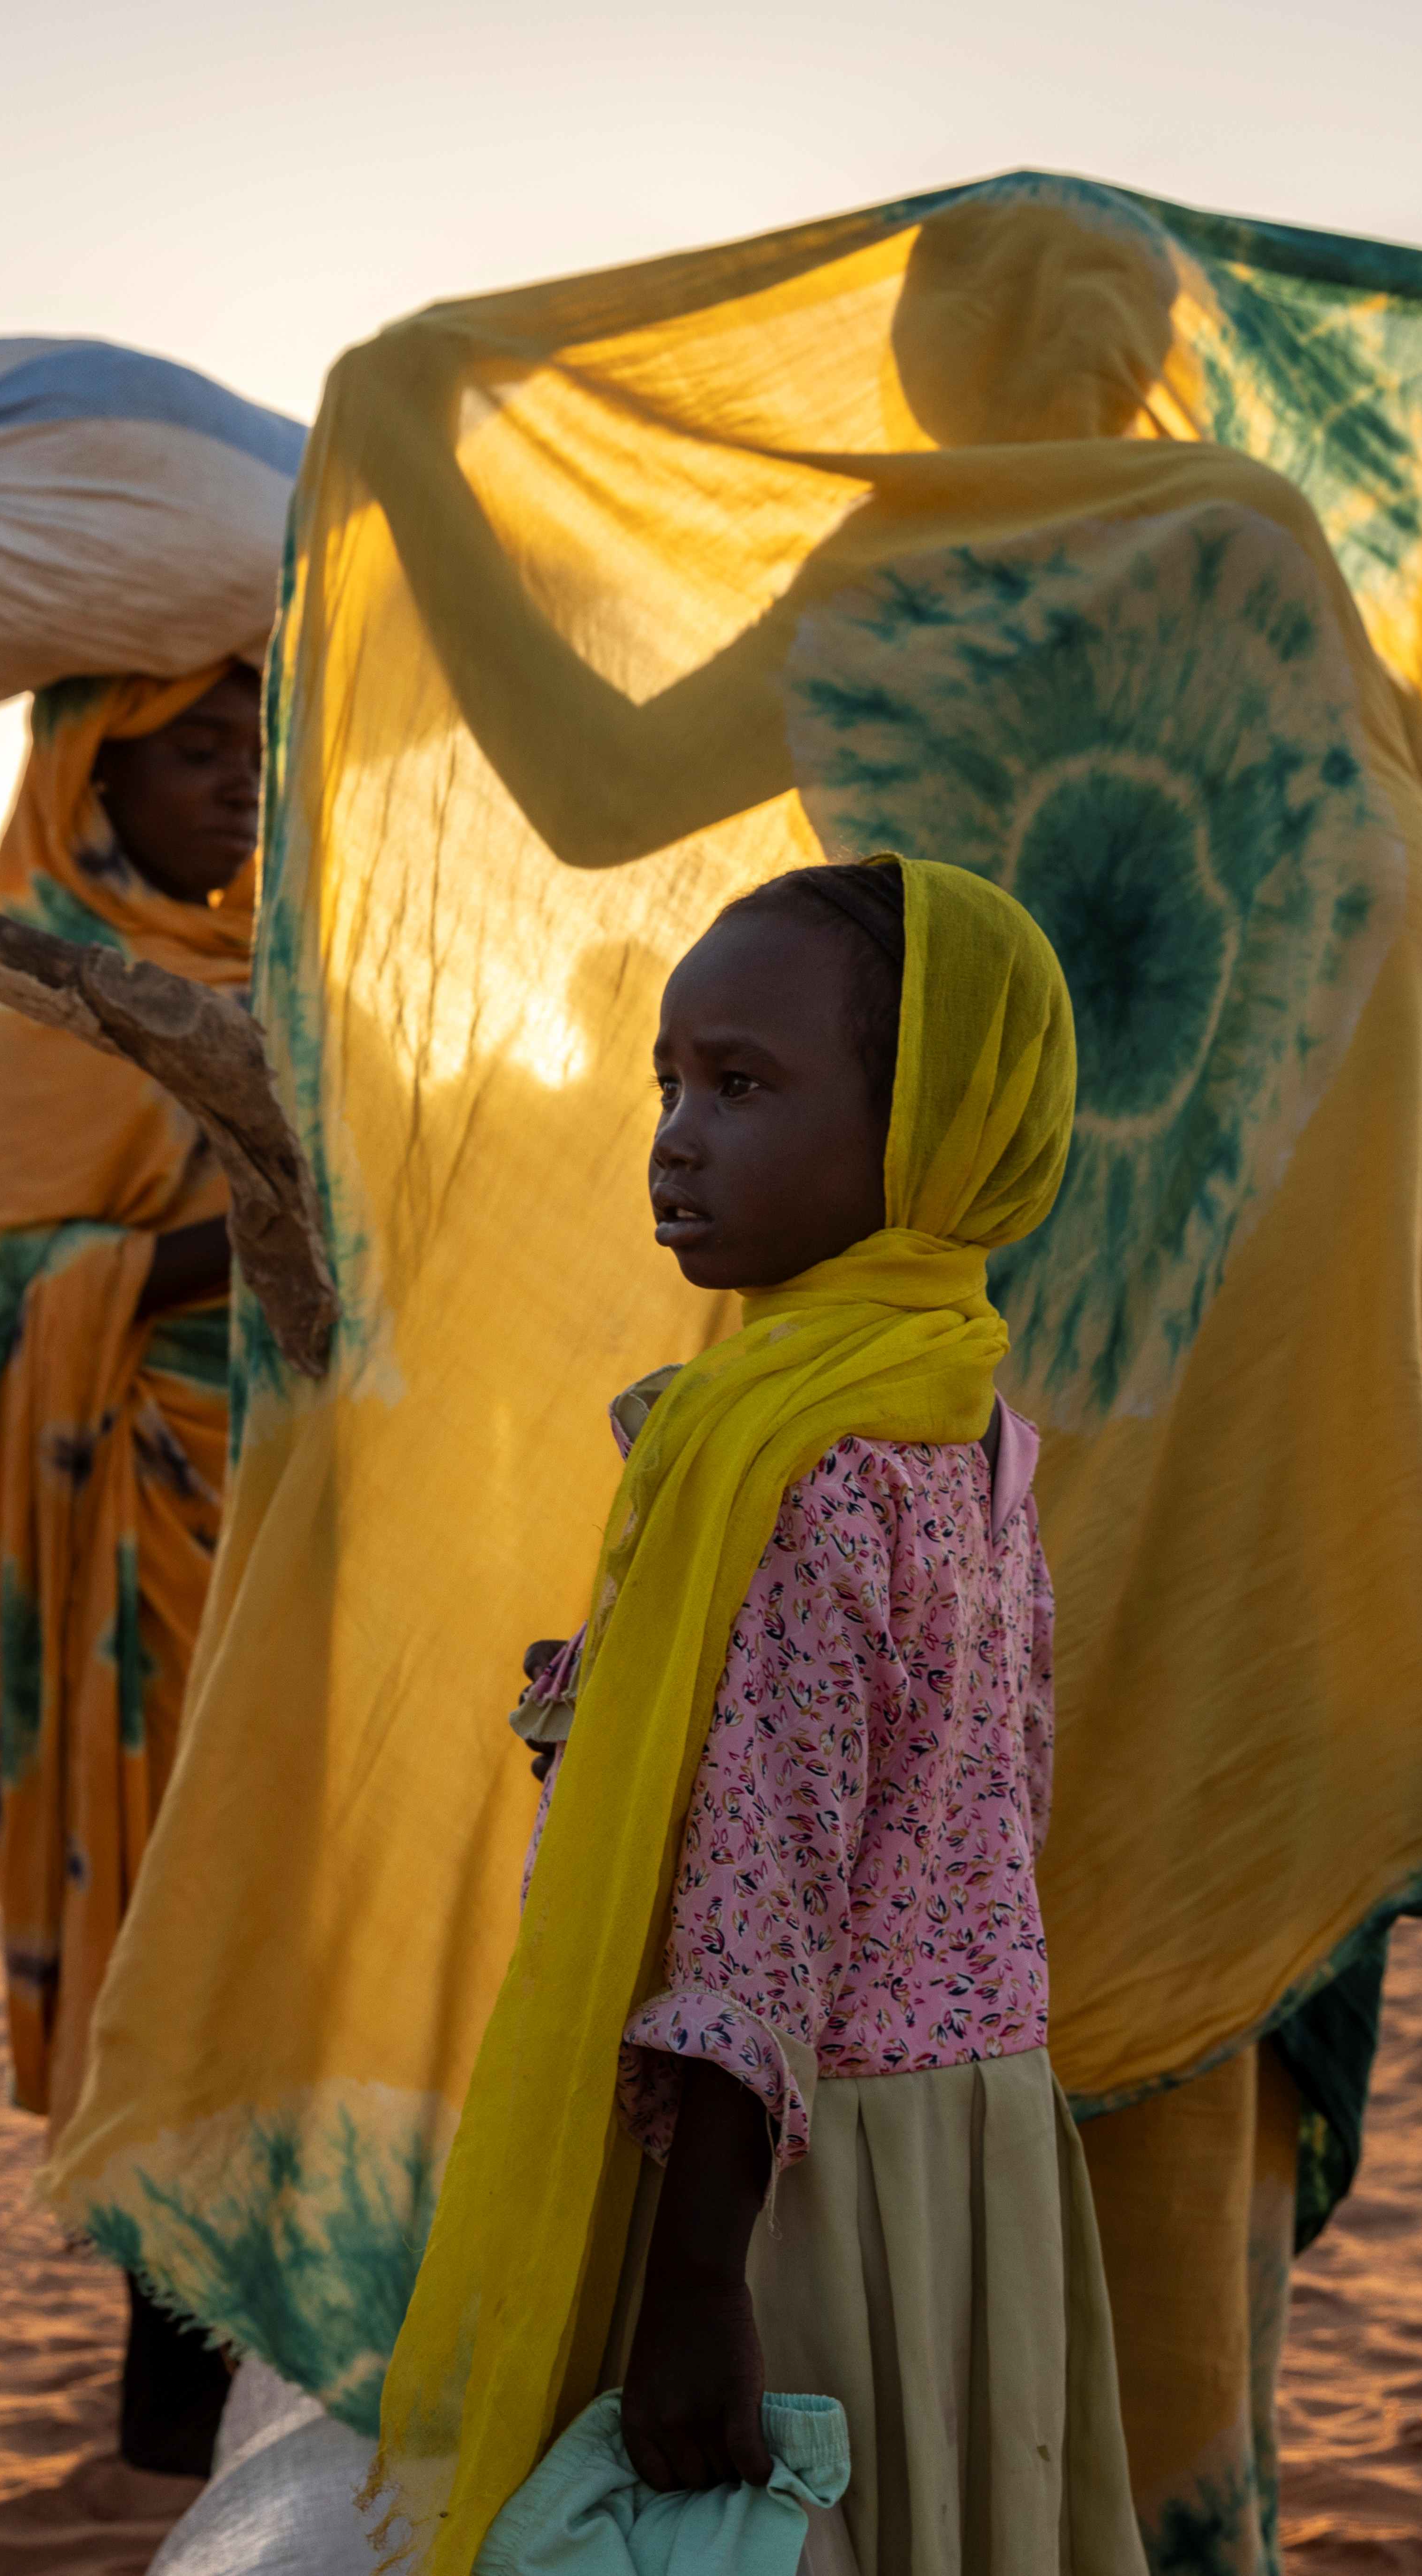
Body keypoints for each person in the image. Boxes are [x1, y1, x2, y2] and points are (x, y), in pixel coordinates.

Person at [39, 182, 1422, 2572]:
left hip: (943, 1300)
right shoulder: (1246, 548)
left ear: (923, 364)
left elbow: (608, 795)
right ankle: (1151, 2506)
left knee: (800, 1873)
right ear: (1145, 354)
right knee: (1075, 1954)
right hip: (1185, 1377)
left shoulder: (879, 582)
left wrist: (417, 457)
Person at [386, 858, 1129, 2576]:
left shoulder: (783, 1458)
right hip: (975, 2129)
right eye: (666, 1080)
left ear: (928, 1131)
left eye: (739, 1084)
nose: (672, 1134)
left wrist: (696, 2280)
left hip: (798, 2170)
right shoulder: (969, 1419)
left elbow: (761, 1899)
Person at [0, 660, 260, 2472]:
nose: (235, 784)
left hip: (289, 1502)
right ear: (89, 773)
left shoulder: (275, 971)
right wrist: (285, 1210)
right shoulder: (56, 982)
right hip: (139, 1541)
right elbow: (20, 1286)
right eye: (192, 751)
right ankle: (176, 2399)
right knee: (177, 1927)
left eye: (251, 750)